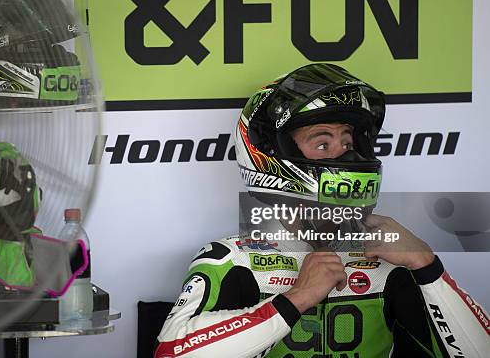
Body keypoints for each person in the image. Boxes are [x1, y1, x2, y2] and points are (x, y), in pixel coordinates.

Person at [154, 64, 489, 357]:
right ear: (272, 153)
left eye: (347, 143)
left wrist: (426, 263)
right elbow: (171, 353)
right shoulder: (232, 261)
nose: (345, 156)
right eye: (323, 143)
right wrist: (296, 298)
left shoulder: (390, 261)